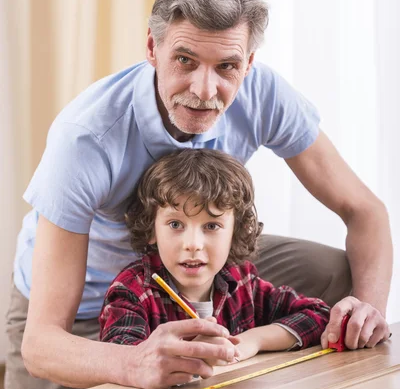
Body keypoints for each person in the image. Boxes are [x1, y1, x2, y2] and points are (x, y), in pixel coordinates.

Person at [5, 0, 392, 389]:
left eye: (226, 66)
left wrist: (367, 310)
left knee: (331, 271)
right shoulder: (86, 138)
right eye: (185, 60)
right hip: (84, 307)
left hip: (199, 269)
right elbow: (41, 345)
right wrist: (133, 362)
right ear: (153, 48)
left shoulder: (262, 93)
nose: (204, 90)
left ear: (248, 63)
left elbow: (366, 211)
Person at [99, 148, 331, 370]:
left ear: (235, 231)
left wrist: (252, 340)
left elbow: (319, 314)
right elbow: (121, 358)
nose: (193, 244)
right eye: (175, 224)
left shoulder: (241, 281)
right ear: (151, 229)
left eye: (211, 225)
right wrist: (190, 352)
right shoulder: (132, 290)